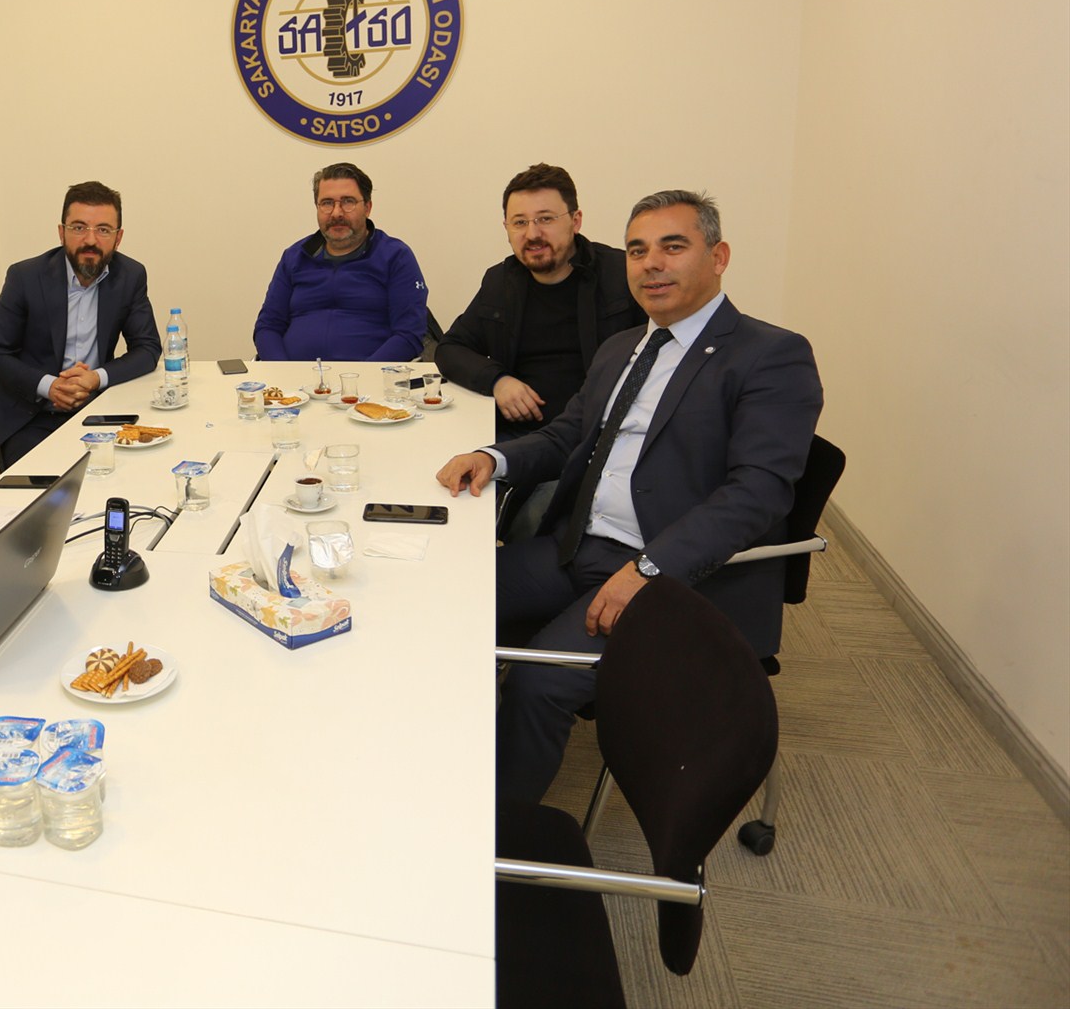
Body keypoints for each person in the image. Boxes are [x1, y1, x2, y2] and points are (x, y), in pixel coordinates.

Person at [434, 192, 821, 803]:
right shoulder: (622, 347)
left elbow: (757, 493)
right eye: (637, 251)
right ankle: (436, 761)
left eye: (674, 246)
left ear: (718, 257)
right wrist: (494, 458)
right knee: (435, 600)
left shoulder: (770, 355)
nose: (651, 264)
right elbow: (568, 434)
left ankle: (501, 833)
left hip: (672, 578)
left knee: (537, 682)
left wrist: (649, 570)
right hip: (579, 547)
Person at [436, 164, 643, 440]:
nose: (532, 234)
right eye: (520, 222)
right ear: (506, 228)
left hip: (602, 434)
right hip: (519, 437)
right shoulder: (500, 282)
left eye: (545, 219)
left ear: (575, 221)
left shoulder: (622, 273)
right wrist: (498, 381)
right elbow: (450, 348)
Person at [0, 180, 161, 469]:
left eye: (103, 230)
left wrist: (95, 378)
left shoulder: (130, 276)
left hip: (98, 409)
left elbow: (148, 348)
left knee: (137, 471)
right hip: (32, 417)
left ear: (118, 238)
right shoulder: (24, 277)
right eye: (79, 227)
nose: (90, 240)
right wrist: (51, 386)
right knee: (45, 486)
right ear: (61, 233)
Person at [252, 161, 428, 362]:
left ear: (367, 207)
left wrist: (362, 376)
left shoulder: (395, 256)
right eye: (327, 203)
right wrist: (283, 372)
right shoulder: (295, 256)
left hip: (369, 378)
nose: (337, 213)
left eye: (348, 202)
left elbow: (408, 334)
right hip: (295, 377)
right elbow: (268, 326)